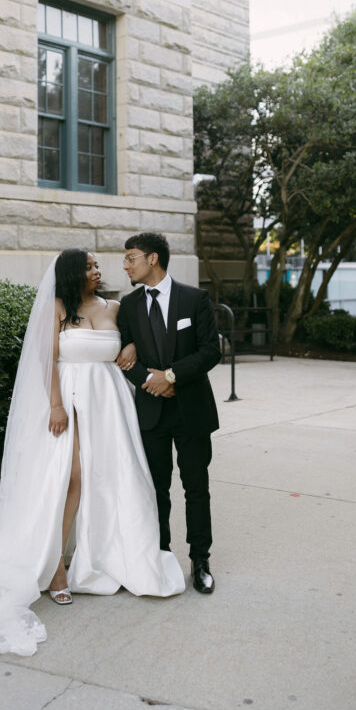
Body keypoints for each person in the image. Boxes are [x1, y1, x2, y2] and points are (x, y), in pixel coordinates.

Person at [0, 248, 184, 657]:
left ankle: (104, 553)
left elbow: (137, 342)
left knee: (112, 478)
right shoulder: (58, 308)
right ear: (71, 273)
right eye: (90, 267)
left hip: (109, 404)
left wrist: (132, 346)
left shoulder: (115, 307)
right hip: (70, 398)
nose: (99, 271)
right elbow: (46, 360)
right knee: (72, 479)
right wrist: (56, 405)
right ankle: (57, 570)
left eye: (99, 266)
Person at [117, 233, 221, 594]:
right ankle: (160, 557)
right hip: (151, 412)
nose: (126, 265)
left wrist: (172, 376)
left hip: (191, 409)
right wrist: (150, 380)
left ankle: (200, 559)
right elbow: (123, 358)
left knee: (196, 487)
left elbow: (211, 351)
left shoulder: (195, 299)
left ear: (154, 259)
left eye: (131, 258)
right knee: (156, 490)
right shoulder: (127, 306)